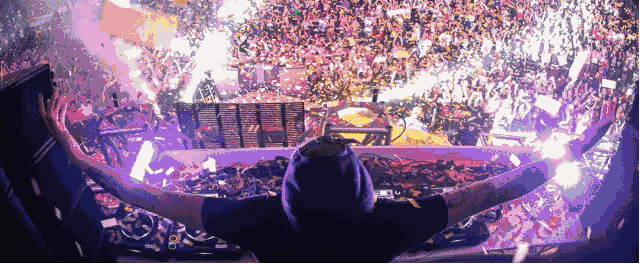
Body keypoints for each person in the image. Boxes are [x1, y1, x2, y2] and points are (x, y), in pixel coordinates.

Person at [38, 87, 613, 263]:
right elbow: (492, 191)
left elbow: (147, 197)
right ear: (362, 187)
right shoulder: (392, 223)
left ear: (288, 191)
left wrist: (78, 156)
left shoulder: (255, 218)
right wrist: (578, 147)